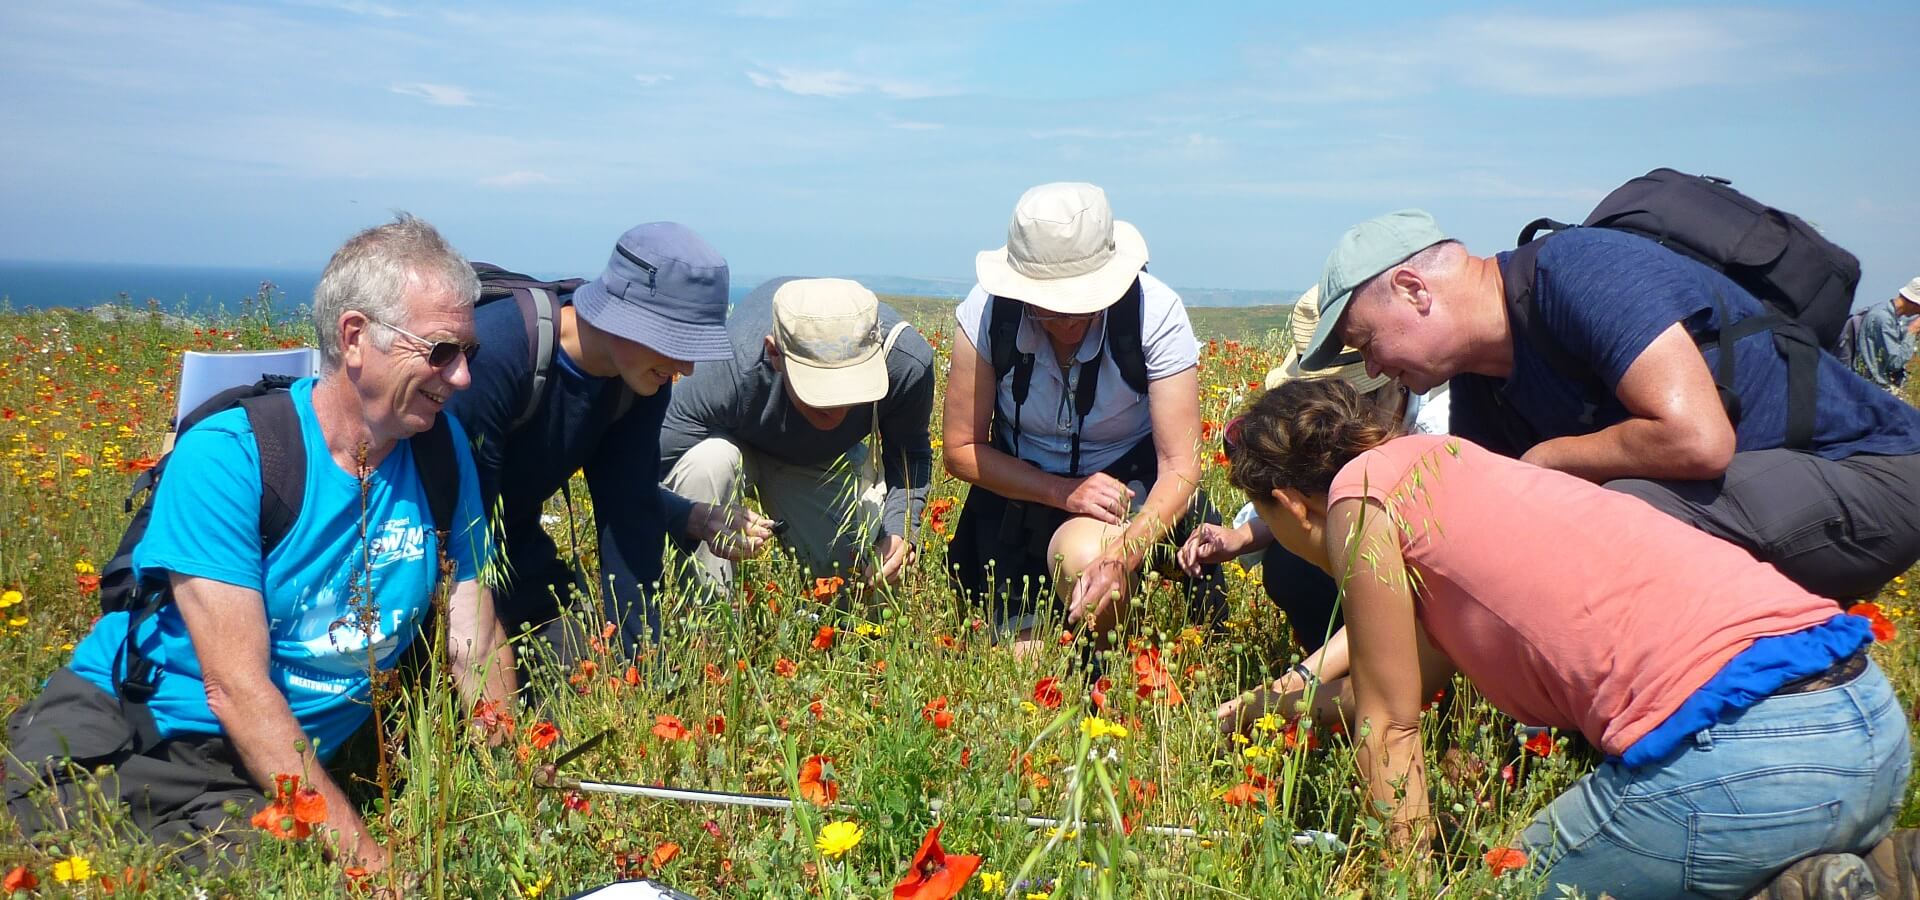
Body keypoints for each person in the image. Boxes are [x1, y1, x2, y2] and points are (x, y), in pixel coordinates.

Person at [1224, 377, 1914, 899]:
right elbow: (1399, 687)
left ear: (1286, 502)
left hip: (1741, 760)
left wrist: (1408, 884)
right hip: (1867, 722)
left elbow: (1389, 725)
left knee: (1496, 888)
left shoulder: (1358, 498)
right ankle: (1851, 875)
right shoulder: (1453, 465)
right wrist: (1263, 711)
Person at [4, 215, 515, 873]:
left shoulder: (441, 453)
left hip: (277, 758)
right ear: (356, 337)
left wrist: (514, 782)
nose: (462, 377)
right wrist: (368, 866)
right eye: (441, 351)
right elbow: (234, 687)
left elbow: (474, 636)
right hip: (154, 737)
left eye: (469, 354)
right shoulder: (231, 457)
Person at [1299, 209, 1920, 601]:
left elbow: (1697, 439)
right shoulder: (1482, 382)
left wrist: (1546, 460)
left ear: (1414, 291)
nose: (1374, 368)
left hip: (1873, 470)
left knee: (1613, 516)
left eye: (1366, 342)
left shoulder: (1580, 270)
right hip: (1761, 493)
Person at [449, 223, 770, 674]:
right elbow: (460, 530)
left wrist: (641, 674)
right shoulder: (496, 356)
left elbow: (629, 515)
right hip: (427, 563)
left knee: (580, 677)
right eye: (677, 343)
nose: (688, 367)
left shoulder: (638, 384)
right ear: (623, 317)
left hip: (517, 555)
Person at [943, 181, 1223, 653]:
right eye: (1047, 304)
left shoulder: (1154, 312)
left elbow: (1180, 466)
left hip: (1124, 500)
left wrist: (1123, 554)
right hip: (1020, 499)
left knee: (1085, 558)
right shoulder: (989, 314)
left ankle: (1110, 665)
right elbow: (960, 450)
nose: (1065, 317)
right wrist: (1062, 493)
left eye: (1081, 302)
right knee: (1025, 662)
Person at [1177, 284, 1447, 654]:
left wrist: (1303, 685)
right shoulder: (1326, 435)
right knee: (1289, 565)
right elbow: (1306, 505)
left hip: (1436, 600)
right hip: (1360, 590)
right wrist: (1240, 536)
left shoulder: (1442, 431)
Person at [660, 276, 934, 589]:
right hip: (731, 441)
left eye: (851, 385)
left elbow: (909, 454)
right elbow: (638, 471)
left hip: (817, 461)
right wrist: (691, 516)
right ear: (774, 353)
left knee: (855, 587)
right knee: (706, 466)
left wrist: (900, 530)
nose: (837, 405)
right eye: (819, 387)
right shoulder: (728, 369)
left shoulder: (905, 363)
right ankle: (708, 627)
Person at [1849, 276, 1920, 390]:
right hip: (1875, 388)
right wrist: (1913, 330)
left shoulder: (1888, 314)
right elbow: (1896, 363)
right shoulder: (1883, 319)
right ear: (1914, 303)